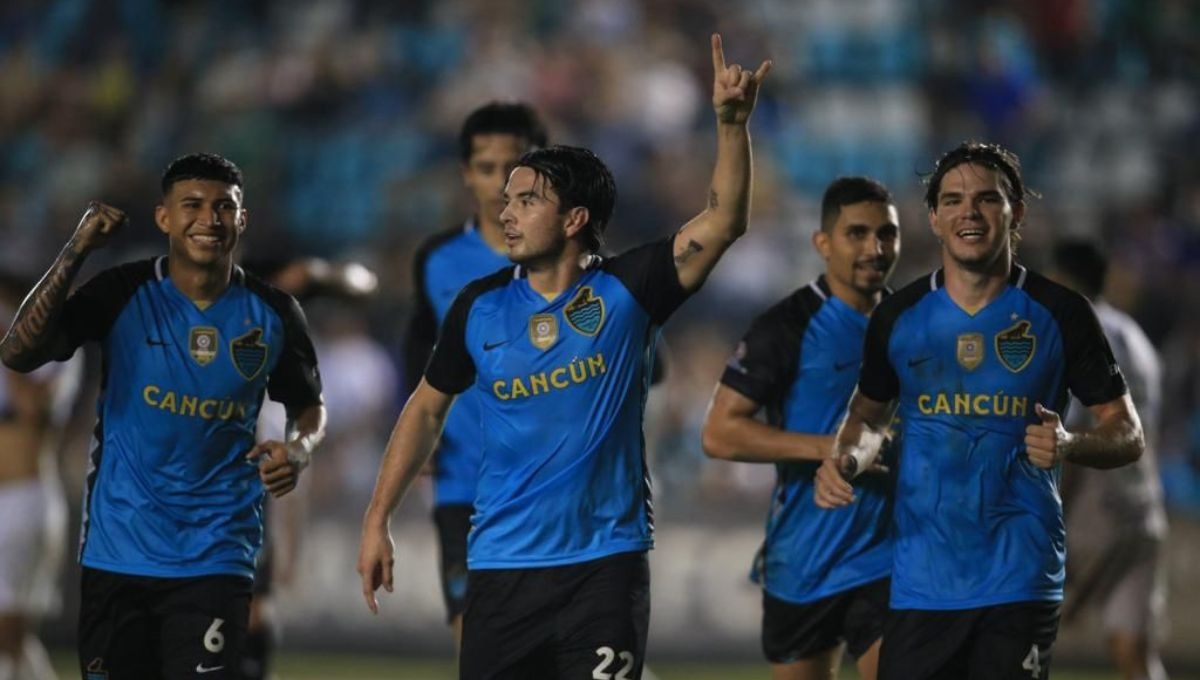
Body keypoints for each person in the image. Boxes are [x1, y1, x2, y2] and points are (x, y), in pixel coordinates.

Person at [359, 34, 770, 680]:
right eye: (507, 198)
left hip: (603, 569)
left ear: (576, 218)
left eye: (527, 200)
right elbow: (425, 409)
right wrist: (377, 517)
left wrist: (730, 125)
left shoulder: (628, 289)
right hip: (501, 570)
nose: (507, 210)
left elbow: (723, 222)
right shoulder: (479, 305)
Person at [814, 141, 1145, 680]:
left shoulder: (1062, 313)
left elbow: (1127, 433)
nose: (968, 211)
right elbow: (868, 418)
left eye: (986, 199)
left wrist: (1070, 445)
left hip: (1019, 577)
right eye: (952, 200)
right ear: (934, 219)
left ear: (1017, 212)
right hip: (922, 582)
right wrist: (846, 458)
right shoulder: (899, 316)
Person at [0, 153, 327, 680]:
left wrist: (299, 449)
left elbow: (308, 405)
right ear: (164, 218)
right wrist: (77, 248)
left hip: (216, 553)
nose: (209, 218)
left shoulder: (274, 312)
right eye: (192, 205)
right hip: (118, 553)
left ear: (241, 220)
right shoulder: (122, 292)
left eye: (224, 207)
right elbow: (17, 352)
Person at [701, 177, 900, 680]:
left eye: (886, 234)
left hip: (889, 556)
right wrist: (831, 448)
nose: (874, 248)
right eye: (857, 233)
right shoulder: (787, 327)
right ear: (823, 243)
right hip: (804, 556)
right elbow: (720, 432)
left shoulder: (914, 322)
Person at [404, 101, 548, 648]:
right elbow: (419, 349)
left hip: (553, 483)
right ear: (466, 173)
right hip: (467, 482)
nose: (498, 184)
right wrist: (422, 436)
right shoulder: (438, 259)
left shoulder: (574, 261)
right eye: (486, 168)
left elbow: (646, 363)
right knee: (477, 643)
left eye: (512, 168)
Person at [237, 256, 376, 680]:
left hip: (250, 489)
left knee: (255, 607)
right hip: (214, 483)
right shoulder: (229, 315)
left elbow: (362, 282)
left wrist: (320, 274)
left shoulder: (269, 321)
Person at [1049, 239, 1170, 680]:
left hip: (1089, 517)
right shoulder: (1135, 336)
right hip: (1141, 508)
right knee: (1133, 653)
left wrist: (1053, 511)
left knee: (1011, 633)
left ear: (1062, 281)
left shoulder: (1081, 333)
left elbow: (1078, 437)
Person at [0, 274, 83, 680]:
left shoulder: (57, 350)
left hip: (26, 500)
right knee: (13, 641)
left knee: (9, 635)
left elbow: (32, 410)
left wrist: (5, 342)